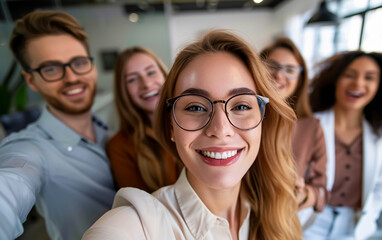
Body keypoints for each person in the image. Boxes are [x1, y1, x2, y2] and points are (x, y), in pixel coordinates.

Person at [83, 30, 302, 240]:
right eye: (196, 108)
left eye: (241, 106)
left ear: (263, 120)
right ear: (171, 127)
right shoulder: (139, 224)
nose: (220, 129)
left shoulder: (277, 207)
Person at [0, 11, 116, 240]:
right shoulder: (31, 148)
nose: (72, 77)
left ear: (91, 66)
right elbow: (12, 184)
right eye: (51, 69)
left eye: (79, 63)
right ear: (32, 80)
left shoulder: (110, 131)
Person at [308, 51, 382, 240]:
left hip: (353, 224)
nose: (358, 84)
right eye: (349, 75)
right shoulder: (310, 126)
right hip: (311, 219)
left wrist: (371, 212)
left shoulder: (381, 134)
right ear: (335, 79)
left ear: (379, 86)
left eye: (369, 78)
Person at [261, 37, 328, 224]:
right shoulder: (239, 119)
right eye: (271, 66)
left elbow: (321, 190)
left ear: (299, 80)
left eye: (290, 70)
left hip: (286, 220)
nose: (279, 76)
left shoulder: (311, 128)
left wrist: (303, 195)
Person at [106, 47, 181, 192]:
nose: (146, 84)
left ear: (164, 75)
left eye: (151, 72)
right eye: (133, 79)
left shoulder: (194, 122)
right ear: (123, 91)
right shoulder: (120, 146)